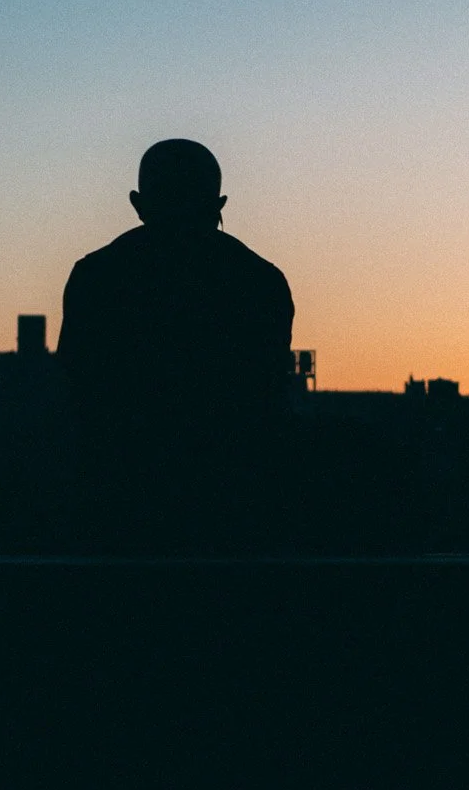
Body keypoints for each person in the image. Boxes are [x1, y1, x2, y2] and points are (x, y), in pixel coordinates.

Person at [58, 139, 295, 546]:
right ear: (219, 204)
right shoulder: (258, 282)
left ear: (138, 203)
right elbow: (266, 401)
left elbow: (76, 392)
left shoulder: (98, 277)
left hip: (117, 502)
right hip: (232, 504)